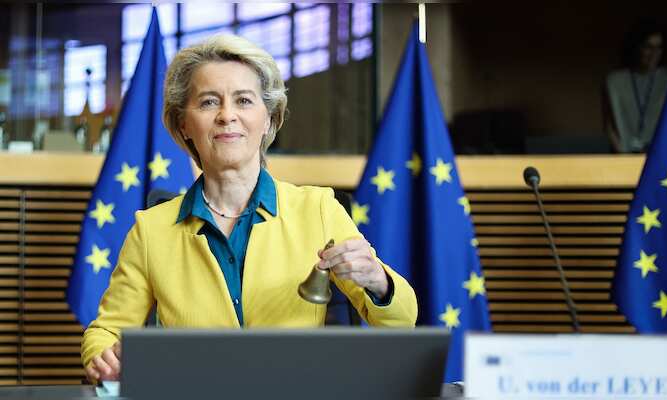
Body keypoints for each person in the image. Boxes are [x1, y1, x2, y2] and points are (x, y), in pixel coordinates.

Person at [81, 34, 418, 382]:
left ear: (269, 119)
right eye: (209, 102)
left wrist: (378, 281)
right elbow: (105, 331)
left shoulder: (319, 209)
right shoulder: (150, 230)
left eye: (243, 100)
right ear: (184, 125)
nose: (227, 116)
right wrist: (103, 359)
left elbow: (401, 322)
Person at [604, 20, 667, 153]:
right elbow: (609, 124)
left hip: (660, 154)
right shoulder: (615, 81)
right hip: (623, 155)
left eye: (658, 48)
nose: (654, 54)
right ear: (636, 48)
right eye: (648, 47)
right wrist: (622, 154)